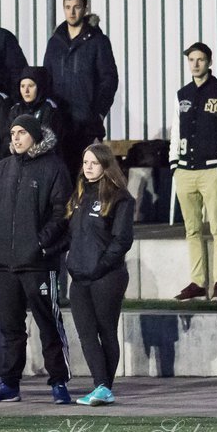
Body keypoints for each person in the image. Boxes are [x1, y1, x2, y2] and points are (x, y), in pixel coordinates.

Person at [0, 114, 73, 404]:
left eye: (22, 133)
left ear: (35, 136)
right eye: (13, 132)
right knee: (10, 328)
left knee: (48, 324)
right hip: (5, 264)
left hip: (39, 263)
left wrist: (40, 244)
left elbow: (62, 213)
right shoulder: (4, 168)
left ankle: (58, 382)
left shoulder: (53, 167)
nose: (16, 138)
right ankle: (9, 384)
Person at [66, 143, 135, 407]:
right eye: (85, 162)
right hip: (80, 277)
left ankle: (104, 386)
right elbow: (72, 234)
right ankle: (101, 385)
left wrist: (100, 266)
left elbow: (122, 240)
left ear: (106, 165)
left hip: (107, 277)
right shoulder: (79, 196)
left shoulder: (120, 198)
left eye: (94, 163)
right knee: (85, 333)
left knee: (106, 330)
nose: (88, 167)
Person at [170, 42, 217, 302]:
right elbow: (175, 131)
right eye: (191, 60)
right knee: (192, 229)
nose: (196, 64)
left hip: (211, 169)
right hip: (185, 171)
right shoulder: (182, 94)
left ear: (209, 62)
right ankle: (198, 281)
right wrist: (174, 163)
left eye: (200, 60)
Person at [42, 0, 119, 177]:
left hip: (87, 124)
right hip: (60, 124)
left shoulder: (98, 42)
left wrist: (99, 112)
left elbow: (109, 79)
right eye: (67, 7)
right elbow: (46, 78)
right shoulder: (55, 43)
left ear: (85, 9)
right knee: (62, 177)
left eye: (76, 7)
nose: (72, 12)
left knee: (89, 177)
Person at [9, 66, 71, 168]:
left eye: (31, 86)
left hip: (45, 162)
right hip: (19, 163)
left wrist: (32, 153)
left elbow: (52, 140)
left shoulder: (50, 108)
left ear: (39, 86)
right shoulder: (15, 109)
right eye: (22, 86)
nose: (26, 90)